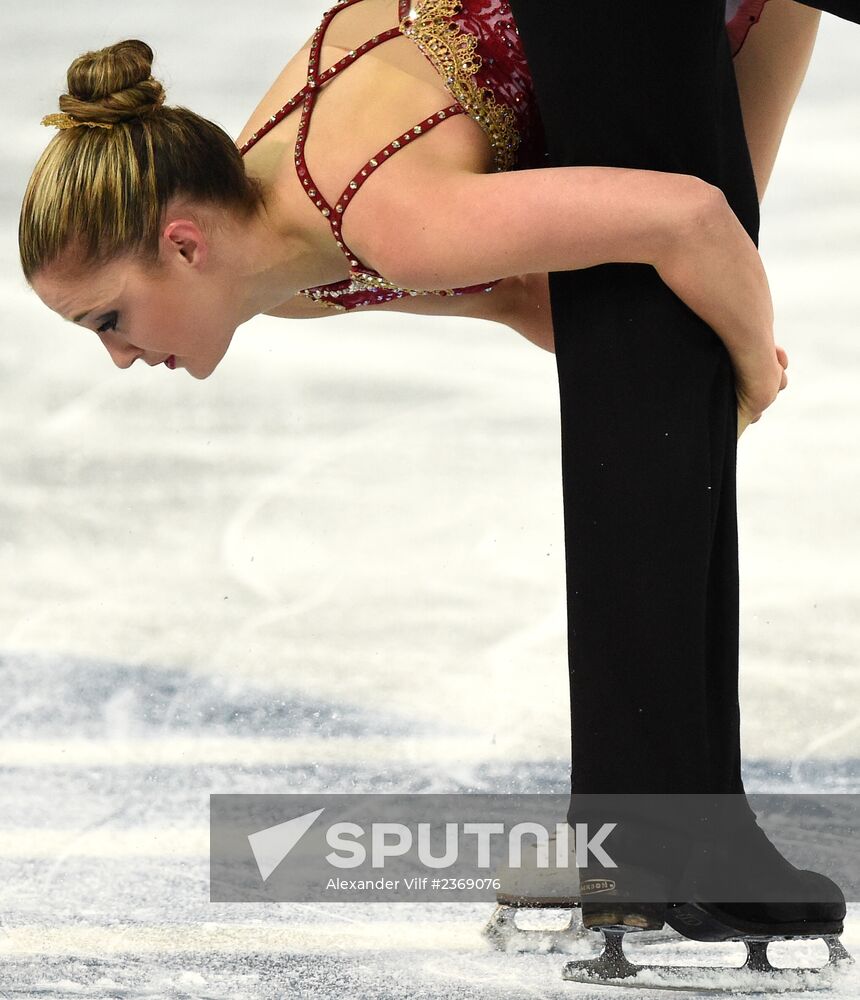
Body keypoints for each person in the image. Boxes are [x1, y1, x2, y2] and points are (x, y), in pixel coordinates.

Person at [17, 0, 851, 985]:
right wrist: (690, 377)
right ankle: (665, 827)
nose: (116, 357)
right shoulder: (269, 254)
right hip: (676, 38)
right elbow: (520, 293)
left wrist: (747, 366)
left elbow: (687, 221)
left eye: (108, 317)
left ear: (184, 242)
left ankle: (664, 828)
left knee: (690, 292)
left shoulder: (378, 215)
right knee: (669, 314)